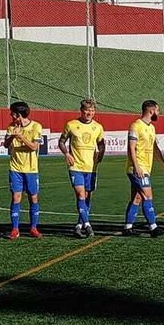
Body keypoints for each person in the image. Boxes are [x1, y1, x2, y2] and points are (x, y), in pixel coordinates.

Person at [122, 100, 164, 237]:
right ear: (151, 110)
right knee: (147, 196)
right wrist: (137, 166)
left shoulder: (151, 128)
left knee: (137, 198)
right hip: (138, 168)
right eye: (158, 110)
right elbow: (131, 148)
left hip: (145, 168)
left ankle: (128, 227)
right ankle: (153, 228)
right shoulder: (136, 126)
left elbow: (155, 148)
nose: (158, 113)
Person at [59, 98, 106, 237]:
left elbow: (101, 144)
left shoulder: (98, 127)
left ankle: (79, 225)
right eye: (87, 110)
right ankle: (87, 225)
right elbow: (61, 141)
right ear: (81, 110)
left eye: (92, 110)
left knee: (87, 196)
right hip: (76, 167)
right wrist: (67, 153)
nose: (89, 113)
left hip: (91, 168)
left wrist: (101, 154)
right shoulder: (71, 125)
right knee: (80, 195)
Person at [5, 101, 43, 238]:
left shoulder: (36, 126)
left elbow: (34, 147)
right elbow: (6, 145)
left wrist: (21, 137)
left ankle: (33, 228)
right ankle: (15, 229)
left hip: (31, 169)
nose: (11, 116)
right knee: (16, 197)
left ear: (18, 115)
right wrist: (12, 136)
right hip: (15, 168)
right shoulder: (11, 127)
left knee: (33, 197)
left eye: (12, 114)